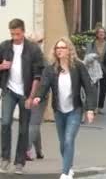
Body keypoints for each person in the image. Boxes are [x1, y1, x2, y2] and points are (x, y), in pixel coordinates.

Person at [33, 37, 97, 179]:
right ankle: (69, 166)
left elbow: (89, 88)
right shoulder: (51, 69)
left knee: (69, 139)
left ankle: (65, 172)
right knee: (63, 143)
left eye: (63, 47)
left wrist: (90, 109)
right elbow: (44, 85)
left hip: (74, 110)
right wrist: (38, 97)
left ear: (69, 50)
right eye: (57, 48)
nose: (59, 50)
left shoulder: (78, 67)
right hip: (59, 111)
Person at [0, 18, 44, 175]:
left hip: (26, 93)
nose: (15, 37)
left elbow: (37, 76)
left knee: (24, 128)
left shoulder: (33, 49)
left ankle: (19, 162)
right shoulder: (4, 46)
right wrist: (1, 66)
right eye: (12, 34)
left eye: (17, 34)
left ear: (23, 32)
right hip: (9, 91)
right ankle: (5, 158)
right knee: (5, 123)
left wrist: (31, 97)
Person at [26, 32, 47, 162]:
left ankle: (39, 151)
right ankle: (26, 150)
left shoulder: (25, 56)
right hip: (39, 94)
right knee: (34, 122)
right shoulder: (41, 57)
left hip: (28, 93)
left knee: (34, 122)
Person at [85, 27, 106, 113]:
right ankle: (93, 106)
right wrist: (92, 57)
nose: (101, 34)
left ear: (105, 34)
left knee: (103, 89)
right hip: (94, 69)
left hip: (105, 69)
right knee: (94, 88)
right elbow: (87, 55)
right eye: (99, 33)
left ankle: (100, 107)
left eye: (103, 33)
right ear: (96, 34)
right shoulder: (91, 44)